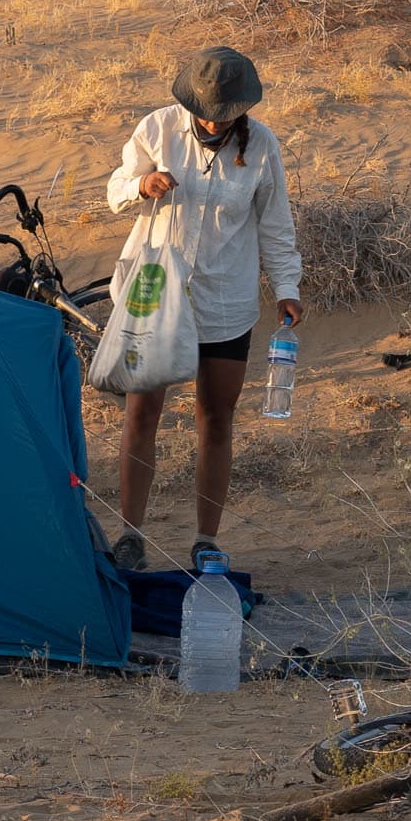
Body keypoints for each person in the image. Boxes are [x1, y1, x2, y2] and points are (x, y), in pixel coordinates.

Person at [103, 46, 304, 572]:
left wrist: (288, 287)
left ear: (242, 107)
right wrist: (140, 185)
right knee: (142, 413)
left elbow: (275, 225)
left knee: (216, 418)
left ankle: (205, 540)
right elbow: (114, 189)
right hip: (156, 294)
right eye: (206, 109)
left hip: (225, 302)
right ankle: (130, 535)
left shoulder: (262, 146)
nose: (213, 120)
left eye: (225, 112)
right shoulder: (157, 129)